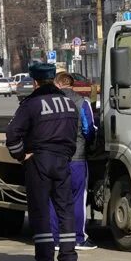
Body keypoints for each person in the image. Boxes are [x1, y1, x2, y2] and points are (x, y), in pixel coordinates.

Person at [6, 62, 79, 261]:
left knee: (40, 210)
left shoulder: (32, 104)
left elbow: (12, 135)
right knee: (65, 209)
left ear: (35, 81)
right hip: (64, 160)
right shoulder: (69, 103)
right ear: (53, 80)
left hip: (40, 160)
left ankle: (45, 259)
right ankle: (68, 257)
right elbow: (74, 134)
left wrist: (21, 155)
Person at [49, 72, 98, 251]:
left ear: (58, 84)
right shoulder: (82, 102)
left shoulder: (50, 103)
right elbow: (89, 129)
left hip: (54, 158)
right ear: (71, 84)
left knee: (54, 198)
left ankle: (55, 239)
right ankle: (78, 238)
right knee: (78, 198)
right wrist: (89, 145)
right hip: (77, 158)